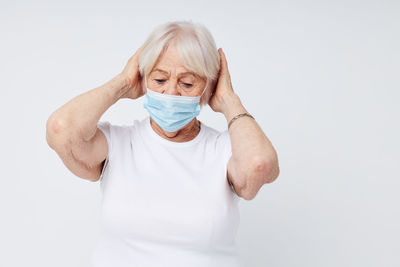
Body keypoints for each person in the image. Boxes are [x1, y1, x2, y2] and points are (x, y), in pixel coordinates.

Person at [46, 20, 279, 267]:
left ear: (208, 87)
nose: (171, 93)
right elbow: (61, 129)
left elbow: (259, 165)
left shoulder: (224, 150)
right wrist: (123, 83)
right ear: (144, 80)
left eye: (187, 83)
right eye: (159, 80)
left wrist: (229, 99)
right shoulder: (119, 143)